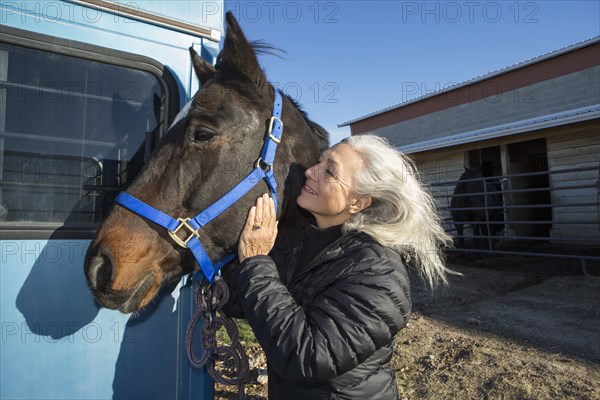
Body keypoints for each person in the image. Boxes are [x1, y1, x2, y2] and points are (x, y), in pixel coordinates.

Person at [230, 134, 453, 399]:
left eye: (330, 171)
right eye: (319, 162)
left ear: (357, 202)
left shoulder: (379, 273)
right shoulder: (299, 241)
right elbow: (253, 304)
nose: (310, 172)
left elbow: (307, 356)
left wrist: (255, 262)